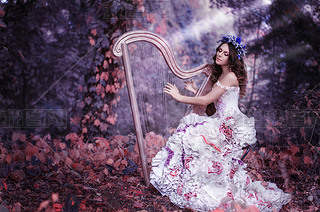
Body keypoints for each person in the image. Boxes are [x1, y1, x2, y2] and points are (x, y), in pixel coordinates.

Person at [149, 35, 291, 211]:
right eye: (219, 50)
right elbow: (211, 109)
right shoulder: (222, 76)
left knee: (189, 134)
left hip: (229, 126)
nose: (220, 54)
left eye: (225, 53)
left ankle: (195, 183)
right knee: (188, 133)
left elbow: (205, 101)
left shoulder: (230, 76)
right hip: (220, 121)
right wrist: (195, 91)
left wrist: (179, 97)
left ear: (231, 57)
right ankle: (184, 179)